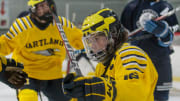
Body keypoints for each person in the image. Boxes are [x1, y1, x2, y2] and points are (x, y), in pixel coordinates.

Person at [62, 8, 158, 101]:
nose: (93, 46)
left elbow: (136, 93)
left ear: (113, 34)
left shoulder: (130, 54)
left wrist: (96, 88)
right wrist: (80, 91)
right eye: (89, 41)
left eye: (96, 39)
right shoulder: (102, 65)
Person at [0, 0, 84, 101]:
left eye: (46, 5)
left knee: (71, 98)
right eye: (41, 7)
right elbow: (5, 45)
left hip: (53, 74)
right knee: (28, 97)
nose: (45, 9)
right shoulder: (22, 26)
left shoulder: (62, 24)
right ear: (33, 10)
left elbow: (81, 41)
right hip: (28, 74)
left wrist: (93, 40)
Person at [121, 0, 179, 101]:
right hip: (136, 64)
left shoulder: (166, 7)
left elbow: (171, 36)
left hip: (160, 65)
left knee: (160, 98)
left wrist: (164, 33)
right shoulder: (132, 6)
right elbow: (123, 31)